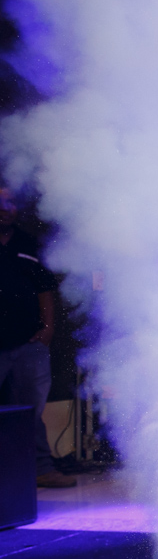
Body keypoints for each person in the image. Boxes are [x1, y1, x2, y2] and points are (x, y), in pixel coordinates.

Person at [0, 188, 76, 489]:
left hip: (29, 343)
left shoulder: (27, 242)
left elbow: (45, 288)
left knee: (29, 412)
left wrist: (47, 329)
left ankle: (40, 469)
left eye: (10, 203)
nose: (5, 208)